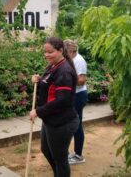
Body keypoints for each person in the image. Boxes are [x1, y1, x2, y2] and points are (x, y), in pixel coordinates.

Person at [30, 37, 79, 177]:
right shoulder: (53, 66)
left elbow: (61, 100)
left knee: (60, 158)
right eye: (44, 52)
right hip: (51, 119)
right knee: (46, 150)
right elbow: (51, 84)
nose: (46, 55)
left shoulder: (64, 71)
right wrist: (39, 80)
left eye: (50, 52)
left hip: (62, 122)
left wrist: (38, 111)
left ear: (60, 51)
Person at [64, 39, 88, 165]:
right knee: (74, 124)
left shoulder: (79, 60)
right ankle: (73, 154)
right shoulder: (72, 60)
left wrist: (66, 80)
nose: (63, 54)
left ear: (72, 51)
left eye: (65, 52)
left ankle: (78, 156)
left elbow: (82, 80)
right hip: (74, 95)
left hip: (79, 96)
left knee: (75, 125)